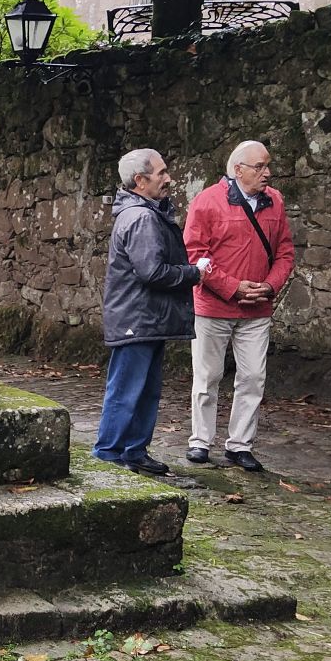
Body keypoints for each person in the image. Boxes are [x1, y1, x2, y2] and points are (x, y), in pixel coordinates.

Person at [93, 147, 211, 477]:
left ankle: (132, 450)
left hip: (145, 319)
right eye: (161, 173)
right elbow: (152, 272)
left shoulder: (144, 213)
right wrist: (193, 273)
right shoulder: (141, 217)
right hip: (138, 319)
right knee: (128, 390)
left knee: (144, 389)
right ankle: (111, 453)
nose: (168, 178)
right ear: (140, 180)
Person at [183, 139, 296, 473]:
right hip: (212, 306)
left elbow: (285, 252)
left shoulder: (275, 202)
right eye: (259, 166)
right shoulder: (206, 203)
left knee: (253, 378)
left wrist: (270, 285)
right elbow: (195, 256)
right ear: (238, 169)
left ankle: (240, 445)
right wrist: (233, 288)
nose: (267, 173)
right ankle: (200, 441)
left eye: (267, 166)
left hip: (256, 309)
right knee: (207, 377)